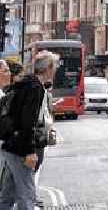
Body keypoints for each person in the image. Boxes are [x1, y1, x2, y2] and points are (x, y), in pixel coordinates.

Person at [0, 51, 58, 210]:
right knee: (27, 195)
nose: (55, 71)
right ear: (48, 68)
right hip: (19, 148)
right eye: (55, 67)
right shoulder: (35, 87)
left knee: (7, 195)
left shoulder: (26, 82)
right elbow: (28, 121)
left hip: (10, 144)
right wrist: (30, 151)